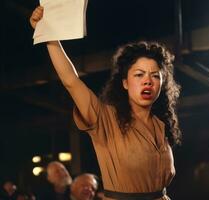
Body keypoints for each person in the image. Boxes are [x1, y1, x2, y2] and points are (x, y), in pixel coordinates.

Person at [30, 5, 181, 200]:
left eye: (155, 76)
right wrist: (48, 33)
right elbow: (71, 81)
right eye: (139, 74)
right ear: (125, 83)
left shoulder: (161, 124)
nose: (147, 81)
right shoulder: (105, 118)